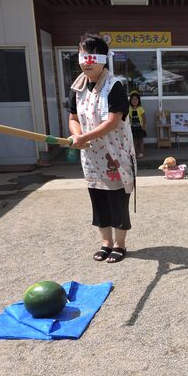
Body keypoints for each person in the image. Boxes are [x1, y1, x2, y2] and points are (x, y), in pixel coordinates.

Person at [69, 32, 135, 263]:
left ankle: (120, 244)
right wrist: (78, 136)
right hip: (90, 156)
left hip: (114, 154)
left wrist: (84, 136)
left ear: (101, 59)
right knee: (98, 200)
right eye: (82, 55)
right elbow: (73, 117)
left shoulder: (115, 87)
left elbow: (113, 121)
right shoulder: (77, 87)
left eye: (90, 56)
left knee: (117, 200)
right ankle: (105, 243)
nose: (85, 61)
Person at [128, 91, 146, 159]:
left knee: (140, 140)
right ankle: (134, 153)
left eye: (136, 99)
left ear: (139, 100)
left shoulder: (140, 108)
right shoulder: (129, 109)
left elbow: (144, 118)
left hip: (140, 127)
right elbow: (129, 118)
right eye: (133, 99)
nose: (134, 101)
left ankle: (141, 153)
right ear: (130, 101)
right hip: (132, 128)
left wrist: (144, 126)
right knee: (134, 141)